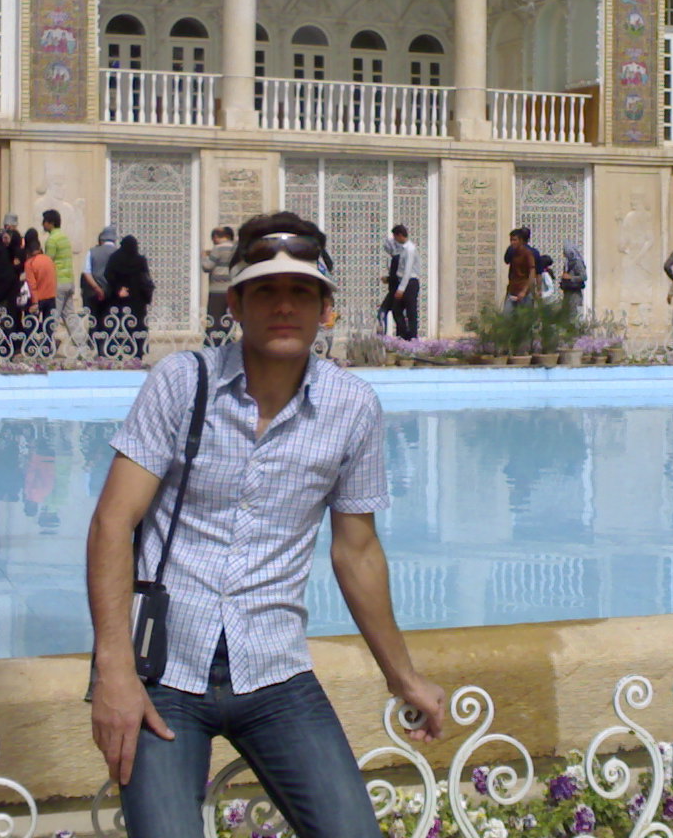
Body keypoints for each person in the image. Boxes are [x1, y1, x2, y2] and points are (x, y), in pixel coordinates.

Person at [85, 211, 445, 837]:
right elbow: (113, 523)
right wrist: (113, 669)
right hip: (162, 672)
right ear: (237, 304)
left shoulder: (352, 407)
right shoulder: (182, 383)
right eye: (266, 291)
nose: (284, 306)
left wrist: (403, 677)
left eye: (301, 291)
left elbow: (357, 551)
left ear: (325, 308)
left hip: (275, 669)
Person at [42, 210, 85, 355]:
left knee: (53, 315)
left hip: (58, 282)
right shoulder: (65, 237)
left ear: (51, 223)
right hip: (69, 281)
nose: (43, 224)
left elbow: (48, 263)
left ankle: (48, 346)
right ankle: (82, 346)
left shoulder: (52, 240)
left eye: (45, 221)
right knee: (70, 315)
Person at [105, 234, 154, 358]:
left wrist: (118, 289)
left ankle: (118, 351)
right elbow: (145, 278)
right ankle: (138, 352)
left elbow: (108, 275)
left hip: (120, 298)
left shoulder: (114, 258)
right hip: (137, 299)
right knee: (137, 325)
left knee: (120, 324)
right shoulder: (140, 260)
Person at [381, 225, 420, 340]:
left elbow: (407, 270)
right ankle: (403, 335)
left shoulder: (410, 249)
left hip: (410, 282)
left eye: (395, 237)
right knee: (396, 309)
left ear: (400, 235)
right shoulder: (403, 249)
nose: (395, 240)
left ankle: (412, 337)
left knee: (410, 311)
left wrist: (401, 288)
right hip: (402, 281)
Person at [22, 230, 58, 355]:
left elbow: (32, 285)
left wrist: (34, 302)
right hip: (51, 296)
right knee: (49, 325)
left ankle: (31, 347)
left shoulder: (30, 263)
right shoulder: (49, 260)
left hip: (38, 298)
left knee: (31, 323)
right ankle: (48, 348)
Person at [84, 225, 121, 346]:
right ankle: (110, 346)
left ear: (101, 239)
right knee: (111, 320)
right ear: (114, 239)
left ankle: (94, 345)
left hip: (95, 293)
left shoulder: (92, 252)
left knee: (95, 319)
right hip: (113, 293)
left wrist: (97, 288)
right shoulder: (119, 253)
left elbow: (87, 272)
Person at [200, 226, 235, 343]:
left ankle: (213, 343)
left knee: (214, 319)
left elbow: (207, 266)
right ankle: (228, 341)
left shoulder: (218, 248)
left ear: (216, 237)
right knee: (228, 319)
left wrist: (204, 257)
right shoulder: (236, 248)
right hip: (231, 288)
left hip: (217, 290)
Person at [503, 228, 537, 312]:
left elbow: (532, 272)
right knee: (506, 316)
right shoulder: (512, 252)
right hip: (512, 290)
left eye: (515, 240)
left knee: (524, 317)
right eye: (511, 240)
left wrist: (524, 290)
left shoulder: (527, 253)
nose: (512, 242)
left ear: (521, 240)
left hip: (524, 292)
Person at [559, 240, 587, 320]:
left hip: (575, 293)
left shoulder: (577, 262)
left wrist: (571, 277)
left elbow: (584, 277)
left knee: (574, 317)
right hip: (567, 292)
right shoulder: (568, 263)